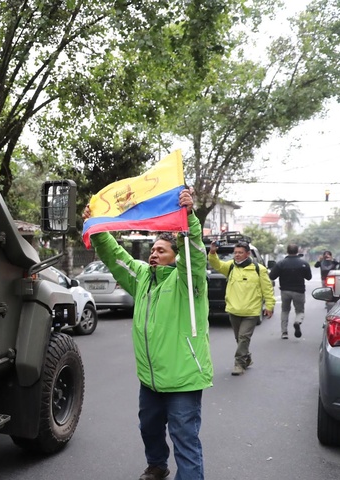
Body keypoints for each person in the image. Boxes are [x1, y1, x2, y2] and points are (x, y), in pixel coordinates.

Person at [83, 187, 212, 480]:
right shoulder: (142, 278)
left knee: (185, 440)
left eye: (161, 250)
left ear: (175, 257)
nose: (154, 254)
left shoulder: (187, 283)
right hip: (150, 379)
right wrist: (98, 227)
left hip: (183, 380)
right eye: (152, 250)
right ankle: (157, 465)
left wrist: (188, 218)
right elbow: (116, 256)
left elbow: (193, 255)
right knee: (149, 428)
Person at [208, 241, 275, 375]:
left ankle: (239, 364)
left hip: (251, 311)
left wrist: (269, 305)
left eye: (240, 253)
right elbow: (217, 265)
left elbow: (267, 289)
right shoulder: (231, 266)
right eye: (236, 252)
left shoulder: (258, 269)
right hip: (234, 310)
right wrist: (212, 253)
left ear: (248, 254)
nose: (237, 255)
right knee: (239, 339)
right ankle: (247, 357)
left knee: (244, 337)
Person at [269, 244, 312, 339]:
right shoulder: (303, 263)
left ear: (287, 251)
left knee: (285, 310)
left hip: (285, 291)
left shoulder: (281, 263)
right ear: (297, 251)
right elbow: (309, 277)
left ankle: (284, 332)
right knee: (300, 311)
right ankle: (297, 321)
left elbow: (272, 276)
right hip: (299, 291)